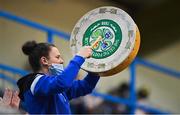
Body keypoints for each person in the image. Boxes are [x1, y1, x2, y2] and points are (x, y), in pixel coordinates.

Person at [17, 41, 100, 114]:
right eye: (57, 57)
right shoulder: (35, 82)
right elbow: (62, 83)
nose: (62, 61)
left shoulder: (56, 86)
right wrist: (79, 57)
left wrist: (96, 67)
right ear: (44, 61)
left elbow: (85, 87)